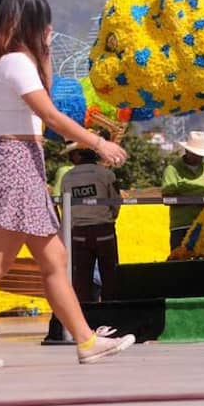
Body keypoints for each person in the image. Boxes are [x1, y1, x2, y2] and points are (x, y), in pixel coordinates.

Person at [0, 0, 133, 369]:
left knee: (53, 259)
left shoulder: (1, 62)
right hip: (18, 163)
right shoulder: (15, 62)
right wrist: (99, 144)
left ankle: (84, 339)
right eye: (43, 23)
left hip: (20, 160)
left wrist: (44, 51)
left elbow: (42, 97)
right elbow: (50, 115)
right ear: (28, 20)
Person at [60, 129, 122, 302]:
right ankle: (112, 314)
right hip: (104, 232)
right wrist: (109, 218)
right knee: (110, 276)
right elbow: (116, 202)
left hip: (78, 234)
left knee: (82, 279)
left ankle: (86, 315)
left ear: (78, 155)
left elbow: (66, 208)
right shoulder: (106, 174)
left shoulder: (67, 178)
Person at [161, 131, 204, 250]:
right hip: (181, 225)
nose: (199, 156)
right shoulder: (172, 170)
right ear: (187, 151)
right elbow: (167, 198)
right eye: (195, 153)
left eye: (201, 154)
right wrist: (196, 200)